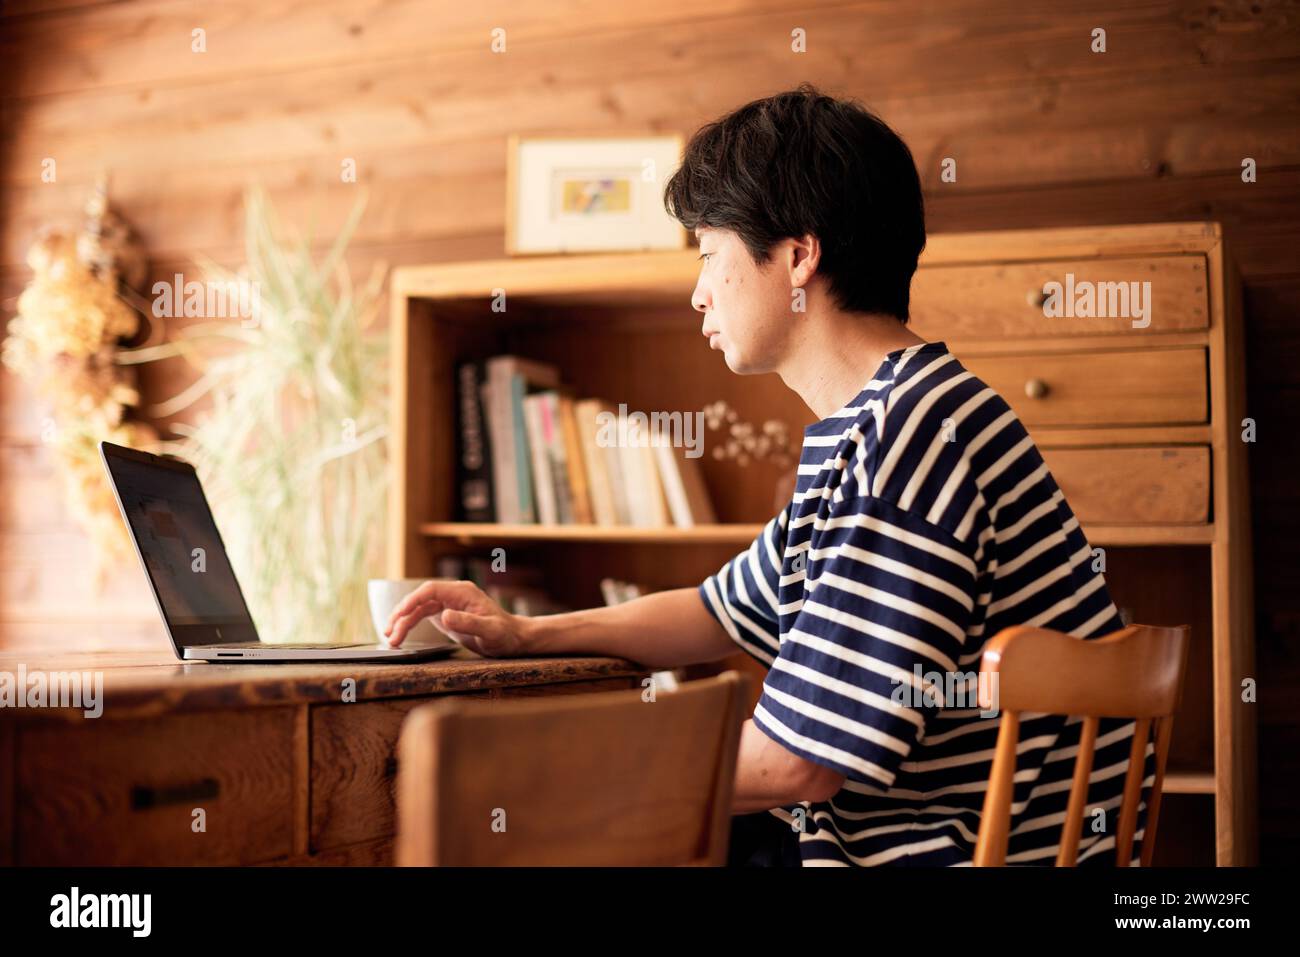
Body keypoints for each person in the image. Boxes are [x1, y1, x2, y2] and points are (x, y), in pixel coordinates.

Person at [385, 84, 1149, 866]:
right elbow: (711, 612)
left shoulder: (908, 436)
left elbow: (800, 763)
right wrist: (525, 632)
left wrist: (536, 776)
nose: (698, 291)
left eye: (710, 255)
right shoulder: (894, 420)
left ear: (796, 255)